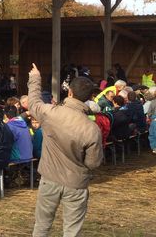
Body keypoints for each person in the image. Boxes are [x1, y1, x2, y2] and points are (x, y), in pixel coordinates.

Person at [27, 64, 103, 237]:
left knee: (42, 226)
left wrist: (35, 78)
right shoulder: (92, 129)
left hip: (49, 179)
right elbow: (93, 163)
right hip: (76, 183)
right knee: (72, 231)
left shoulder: (51, 113)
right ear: (90, 97)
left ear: (69, 92)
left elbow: (33, 103)